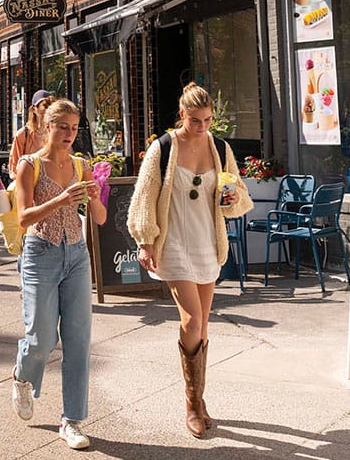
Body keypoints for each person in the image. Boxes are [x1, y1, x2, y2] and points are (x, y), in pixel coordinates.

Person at [127, 82, 253, 438]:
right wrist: (145, 240)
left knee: (204, 325)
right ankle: (191, 406)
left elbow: (236, 195)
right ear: (181, 115)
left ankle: (200, 400)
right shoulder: (163, 148)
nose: (202, 127)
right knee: (192, 319)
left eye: (208, 120)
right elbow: (144, 196)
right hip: (173, 244)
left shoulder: (220, 147)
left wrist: (230, 198)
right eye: (196, 120)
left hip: (207, 244)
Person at [10, 99, 107, 450]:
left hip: (77, 256)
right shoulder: (29, 165)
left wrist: (94, 197)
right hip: (40, 255)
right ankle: (22, 377)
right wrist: (61, 200)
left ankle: (73, 420)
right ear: (47, 127)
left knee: (79, 342)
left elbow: (99, 218)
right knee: (40, 340)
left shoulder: (82, 165)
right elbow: (23, 218)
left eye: (74, 127)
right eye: (62, 126)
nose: (69, 134)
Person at [8, 89, 53, 179]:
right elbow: (14, 167)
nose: (48, 109)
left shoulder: (56, 133)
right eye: (45, 106)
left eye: (51, 106)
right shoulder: (23, 134)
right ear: (33, 109)